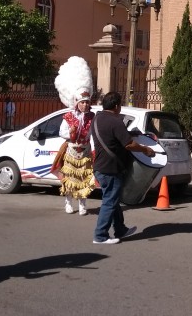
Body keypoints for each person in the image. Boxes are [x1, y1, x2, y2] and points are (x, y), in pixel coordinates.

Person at [91, 91, 155, 244]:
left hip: (100, 166)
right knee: (110, 201)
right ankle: (100, 236)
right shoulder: (115, 121)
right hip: (111, 169)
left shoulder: (97, 119)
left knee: (112, 199)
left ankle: (120, 229)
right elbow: (128, 144)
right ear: (117, 106)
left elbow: (113, 137)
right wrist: (146, 149)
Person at [52, 56, 96, 215]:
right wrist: (69, 133)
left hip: (84, 151)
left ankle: (83, 205)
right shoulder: (69, 117)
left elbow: (93, 134)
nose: (85, 104)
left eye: (87, 102)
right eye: (82, 102)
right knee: (70, 178)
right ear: (76, 102)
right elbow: (61, 132)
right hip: (71, 150)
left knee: (84, 179)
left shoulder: (92, 117)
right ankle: (68, 202)